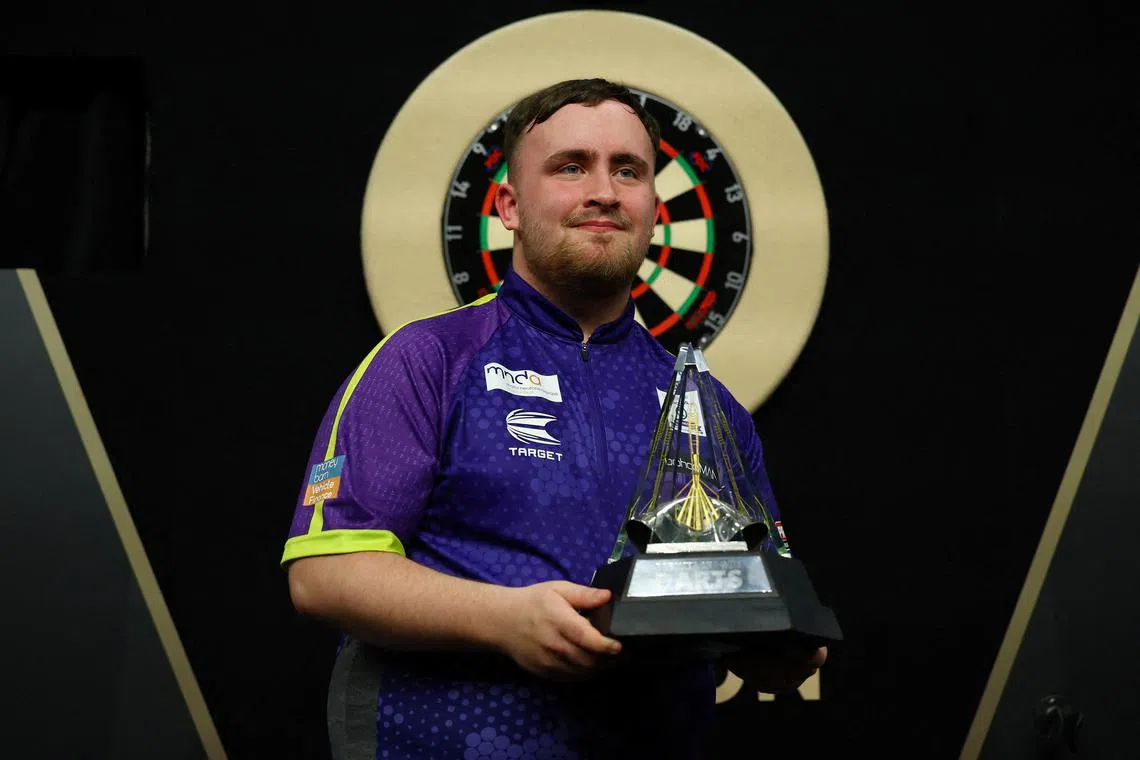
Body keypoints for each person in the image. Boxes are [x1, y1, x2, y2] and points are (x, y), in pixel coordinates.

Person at [282, 78, 826, 760]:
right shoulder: (426, 360)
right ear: (509, 205)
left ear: (654, 208)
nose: (603, 190)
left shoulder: (710, 410)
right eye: (571, 166)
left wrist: (777, 648)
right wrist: (504, 619)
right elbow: (326, 574)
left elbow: (760, 593)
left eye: (627, 170)